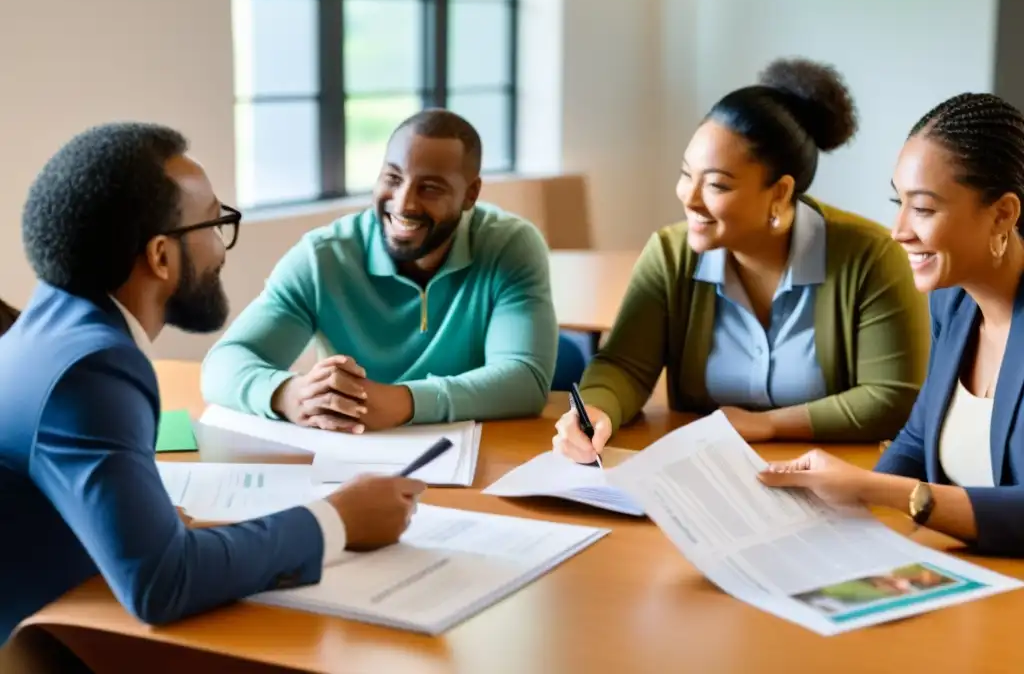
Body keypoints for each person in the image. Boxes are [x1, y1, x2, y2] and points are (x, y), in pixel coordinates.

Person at [0, 123, 425, 644]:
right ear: (160, 256)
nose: (222, 249)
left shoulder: (49, 324)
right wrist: (336, 520)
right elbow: (162, 584)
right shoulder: (94, 370)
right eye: (212, 223)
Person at [554, 58, 930, 463]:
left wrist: (767, 424)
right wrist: (595, 410)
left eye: (716, 184)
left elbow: (893, 397)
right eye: (686, 174)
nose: (689, 197)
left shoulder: (871, 257)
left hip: (830, 479)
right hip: (707, 474)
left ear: (781, 193)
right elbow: (624, 366)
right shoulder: (670, 253)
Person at [760, 92, 1024, 557]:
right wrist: (836, 501)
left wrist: (883, 493)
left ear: (1002, 214)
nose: (898, 229)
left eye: (922, 209)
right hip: (965, 576)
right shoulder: (952, 302)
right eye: (897, 202)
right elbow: (919, 438)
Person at [201, 108, 558, 431]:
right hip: (349, 460)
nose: (404, 202)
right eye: (393, 178)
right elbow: (222, 365)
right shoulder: (323, 257)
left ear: (470, 194)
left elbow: (525, 381)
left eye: (430, 187)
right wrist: (288, 393)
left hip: (473, 460)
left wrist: (405, 401)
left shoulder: (509, 247)